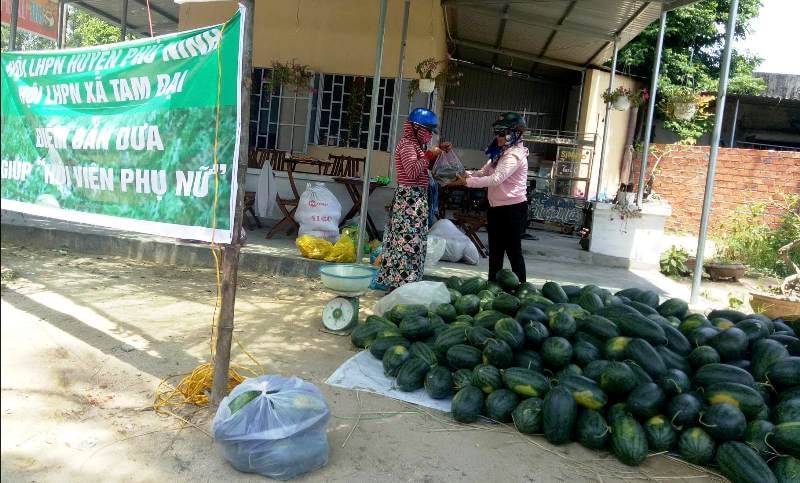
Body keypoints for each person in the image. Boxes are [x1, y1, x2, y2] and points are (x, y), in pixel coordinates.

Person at [450, 112, 529, 283]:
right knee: (495, 251)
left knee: (514, 252)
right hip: (496, 208)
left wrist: (467, 182)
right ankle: (493, 286)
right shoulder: (500, 152)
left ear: (515, 133)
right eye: (497, 133)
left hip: (513, 209)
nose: (498, 137)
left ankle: (523, 289)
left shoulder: (514, 155)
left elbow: (496, 179)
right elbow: (482, 172)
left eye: (502, 133)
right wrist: (465, 174)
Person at [376, 108, 449, 292]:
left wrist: (437, 154)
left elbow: (423, 166)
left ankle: (406, 286)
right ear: (416, 128)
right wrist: (429, 155)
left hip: (415, 200)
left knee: (413, 244)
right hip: (408, 200)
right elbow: (412, 171)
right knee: (404, 245)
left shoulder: (417, 146)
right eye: (427, 131)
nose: (429, 136)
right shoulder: (407, 145)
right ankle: (397, 288)